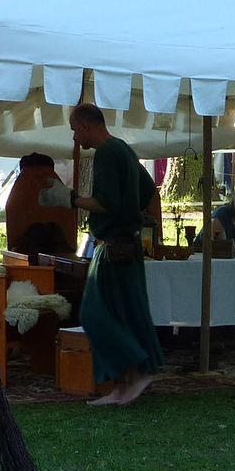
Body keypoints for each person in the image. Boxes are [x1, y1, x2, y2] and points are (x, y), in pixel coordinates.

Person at [68, 103, 161, 405]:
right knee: (124, 313)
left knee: (94, 314)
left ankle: (138, 374)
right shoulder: (124, 149)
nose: (75, 138)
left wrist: (71, 199)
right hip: (128, 245)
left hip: (113, 248)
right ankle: (123, 386)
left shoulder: (106, 152)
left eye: (74, 130)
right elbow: (148, 191)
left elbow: (104, 202)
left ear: (85, 125)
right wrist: (135, 217)